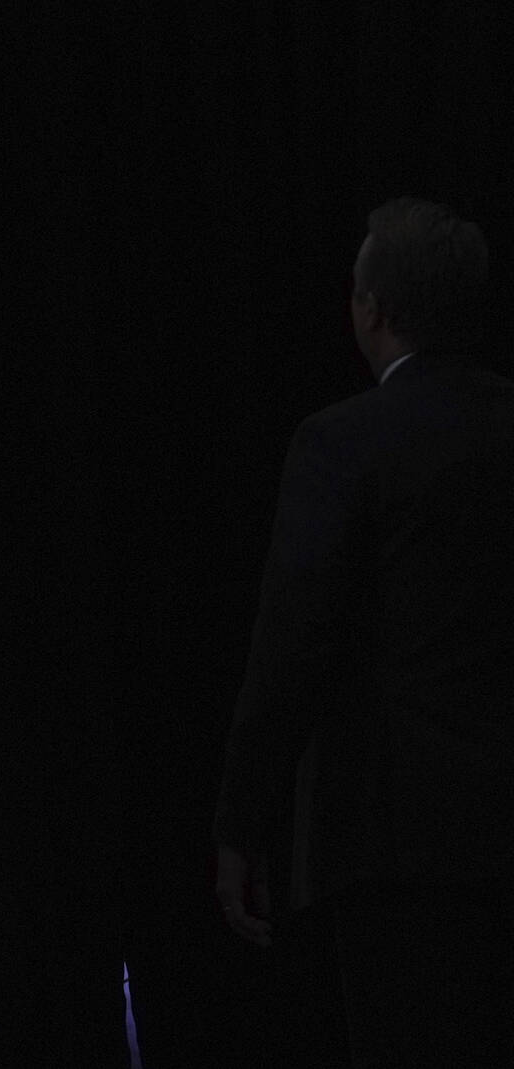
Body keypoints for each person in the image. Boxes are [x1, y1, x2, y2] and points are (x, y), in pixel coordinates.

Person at [215, 197, 514, 1067]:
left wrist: (241, 821)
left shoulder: (341, 443)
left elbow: (290, 648)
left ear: (374, 308)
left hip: (392, 839)